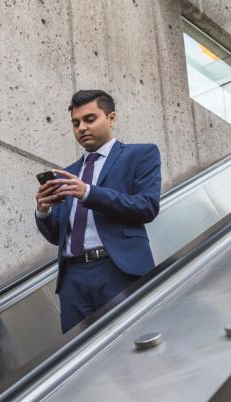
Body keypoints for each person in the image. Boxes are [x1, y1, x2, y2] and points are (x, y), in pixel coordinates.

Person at [34, 89, 162, 333]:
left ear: (111, 118)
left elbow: (147, 206)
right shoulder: (69, 172)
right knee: (78, 357)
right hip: (72, 279)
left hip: (118, 270)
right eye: (75, 123)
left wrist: (88, 193)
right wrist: (43, 211)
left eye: (89, 119)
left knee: (130, 342)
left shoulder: (141, 154)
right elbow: (57, 235)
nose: (81, 127)